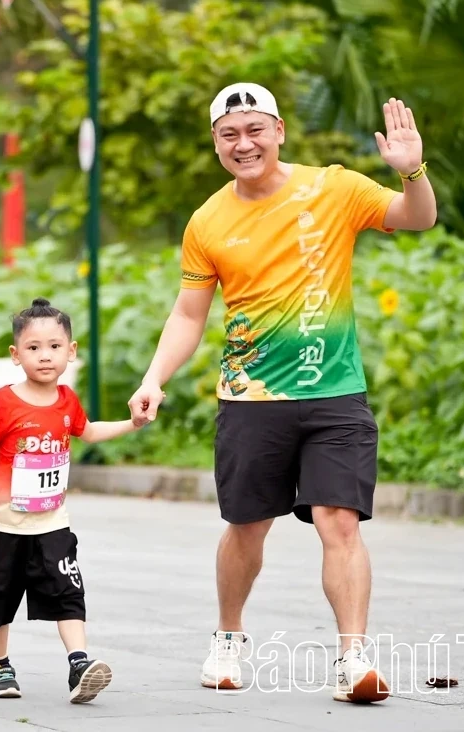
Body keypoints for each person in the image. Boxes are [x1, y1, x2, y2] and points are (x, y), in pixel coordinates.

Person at [127, 84, 437, 704]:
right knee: (247, 527)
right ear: (216, 143)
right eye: (230, 135)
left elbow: (417, 217)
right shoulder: (207, 221)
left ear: (279, 132)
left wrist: (412, 173)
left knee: (339, 522)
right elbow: (189, 314)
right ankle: (228, 639)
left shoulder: (335, 188)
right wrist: (153, 378)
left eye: (255, 130)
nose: (244, 144)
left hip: (335, 393)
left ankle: (353, 658)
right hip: (251, 398)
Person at [0, 298, 145, 704]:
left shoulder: (66, 400)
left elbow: (89, 431)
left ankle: (79, 663)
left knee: (67, 591)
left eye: (55, 346)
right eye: (34, 347)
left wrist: (133, 423)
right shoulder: (4, 400)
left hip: (52, 522)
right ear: (16, 354)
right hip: (3, 521)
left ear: (71, 351)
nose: (45, 356)